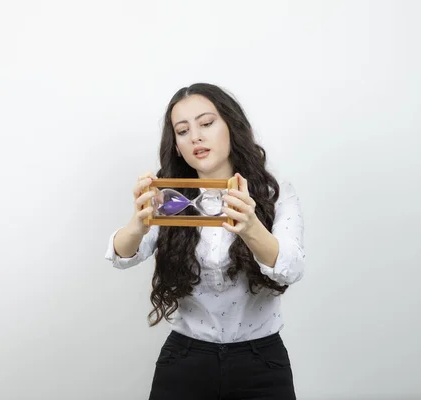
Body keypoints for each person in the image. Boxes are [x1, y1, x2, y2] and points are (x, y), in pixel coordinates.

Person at [104, 83, 305, 400]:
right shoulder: (171, 200)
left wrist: (251, 226)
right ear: (177, 146)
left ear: (232, 127)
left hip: (261, 363)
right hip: (186, 360)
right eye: (182, 131)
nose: (195, 136)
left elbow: (290, 268)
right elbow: (121, 255)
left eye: (207, 123)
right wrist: (137, 224)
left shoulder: (272, 194)